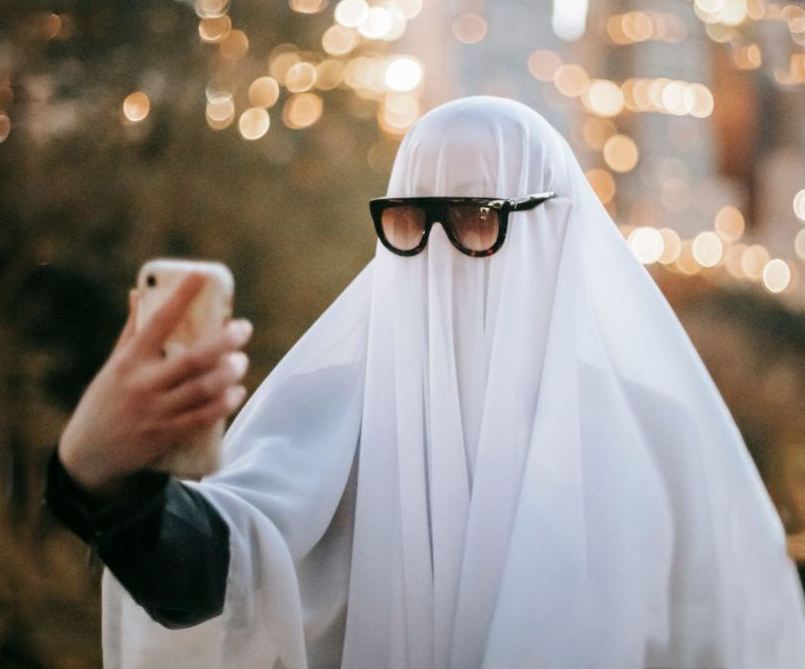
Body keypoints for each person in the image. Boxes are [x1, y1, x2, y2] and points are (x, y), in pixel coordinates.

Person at [45, 95, 805, 669]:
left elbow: (728, 634)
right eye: (413, 219)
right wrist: (101, 474)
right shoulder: (332, 408)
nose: (440, 249)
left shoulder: (653, 436)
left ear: (554, 228)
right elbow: (222, 569)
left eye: (477, 217)